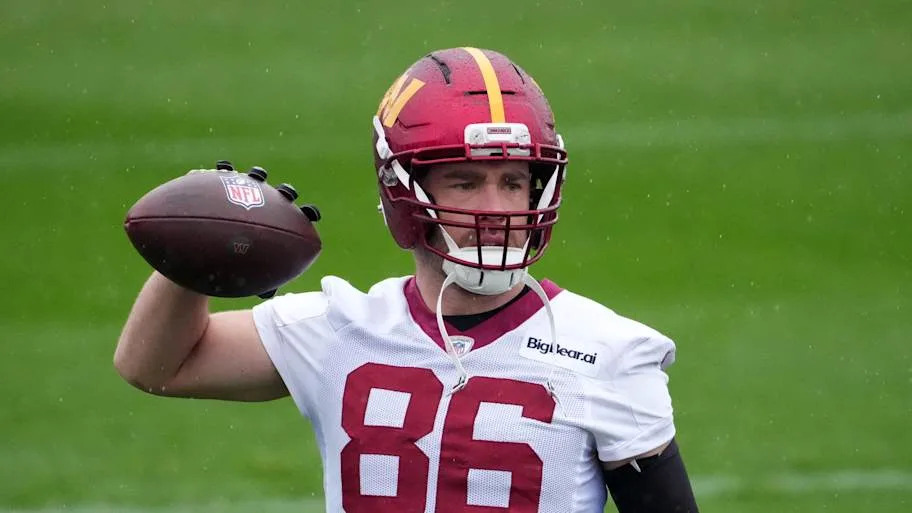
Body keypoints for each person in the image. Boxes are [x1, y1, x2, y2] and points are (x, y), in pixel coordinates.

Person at [115, 47, 699, 513]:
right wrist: (196, 254)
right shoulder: (340, 329)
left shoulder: (610, 352)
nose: (496, 207)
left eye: (514, 181)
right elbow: (156, 365)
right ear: (404, 194)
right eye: (466, 183)